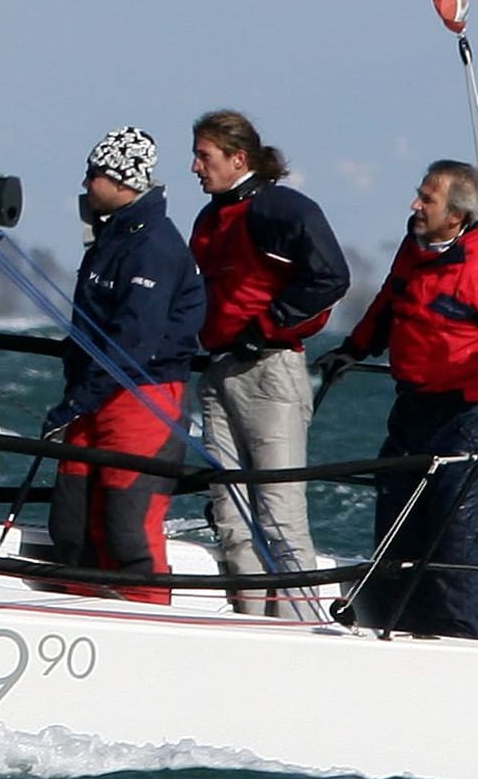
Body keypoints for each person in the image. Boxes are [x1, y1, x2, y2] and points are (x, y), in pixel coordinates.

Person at [321, 160, 478, 638]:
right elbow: (390, 302)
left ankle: (459, 636)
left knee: (455, 529)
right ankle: (390, 624)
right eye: (418, 194)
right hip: (412, 407)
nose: (414, 205)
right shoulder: (413, 251)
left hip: (467, 414)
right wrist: (353, 349)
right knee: (395, 516)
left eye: (427, 199)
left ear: (457, 216)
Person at [190, 108, 350, 616]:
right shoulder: (210, 217)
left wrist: (265, 327)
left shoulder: (279, 209)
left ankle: (302, 628)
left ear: (239, 158)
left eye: (204, 156)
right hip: (218, 373)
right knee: (233, 518)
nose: (195, 166)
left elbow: (330, 277)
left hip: (269, 371)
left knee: (279, 515)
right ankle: (251, 627)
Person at [42, 128, 205, 604]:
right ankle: (81, 603)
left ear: (121, 179)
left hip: (142, 395)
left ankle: (149, 614)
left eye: (95, 174)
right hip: (95, 393)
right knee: (73, 520)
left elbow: (135, 338)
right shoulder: (111, 234)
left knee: (127, 525)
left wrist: (79, 399)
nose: (87, 183)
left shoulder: (154, 245)